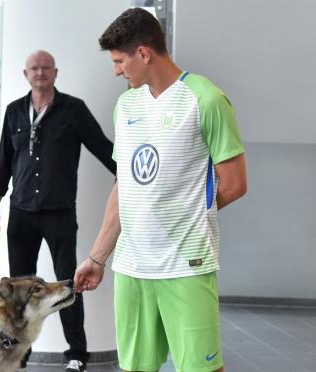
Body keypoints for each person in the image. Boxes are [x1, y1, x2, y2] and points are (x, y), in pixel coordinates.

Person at [74, 8, 247, 372]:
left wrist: (180, 216)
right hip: (131, 268)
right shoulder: (126, 105)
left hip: (186, 265)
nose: (116, 70)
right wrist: (97, 256)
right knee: (136, 368)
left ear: (144, 53)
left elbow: (233, 185)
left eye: (120, 61)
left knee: (201, 368)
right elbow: (125, 187)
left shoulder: (206, 99)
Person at [0, 50, 116, 372]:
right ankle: (19, 354)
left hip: (59, 213)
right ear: (25, 73)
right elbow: (3, 161)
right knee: (18, 291)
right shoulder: (15, 111)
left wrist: (133, 173)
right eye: (34, 68)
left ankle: (76, 353)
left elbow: (103, 147)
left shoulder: (73, 110)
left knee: (69, 284)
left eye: (46, 68)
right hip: (21, 213)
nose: (40, 73)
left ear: (55, 73)